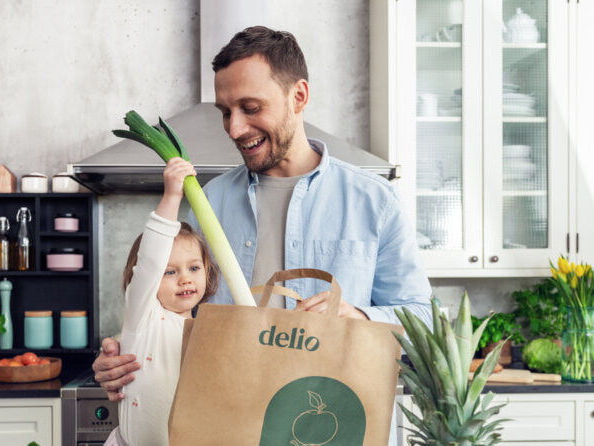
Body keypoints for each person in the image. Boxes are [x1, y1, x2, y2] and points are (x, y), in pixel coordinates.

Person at [94, 26, 432, 436]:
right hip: (228, 428)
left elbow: (425, 322)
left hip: (332, 426)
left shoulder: (375, 201)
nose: (235, 129)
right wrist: (125, 348)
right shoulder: (208, 203)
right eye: (225, 112)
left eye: (251, 107)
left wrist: (357, 315)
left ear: (299, 96)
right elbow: (178, 316)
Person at [103, 158, 219, 446]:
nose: (185, 279)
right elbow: (151, 259)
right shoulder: (144, 317)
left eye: (194, 268)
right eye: (170, 271)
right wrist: (172, 196)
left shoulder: (209, 329)